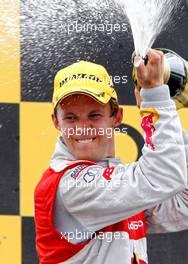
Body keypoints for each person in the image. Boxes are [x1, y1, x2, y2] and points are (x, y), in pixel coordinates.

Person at [34, 49, 188, 264]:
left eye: (94, 115)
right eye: (70, 117)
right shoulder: (69, 186)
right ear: (56, 122)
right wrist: (154, 101)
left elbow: (183, 202)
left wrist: (154, 107)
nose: (83, 127)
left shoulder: (117, 185)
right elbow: (163, 178)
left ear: (117, 116)